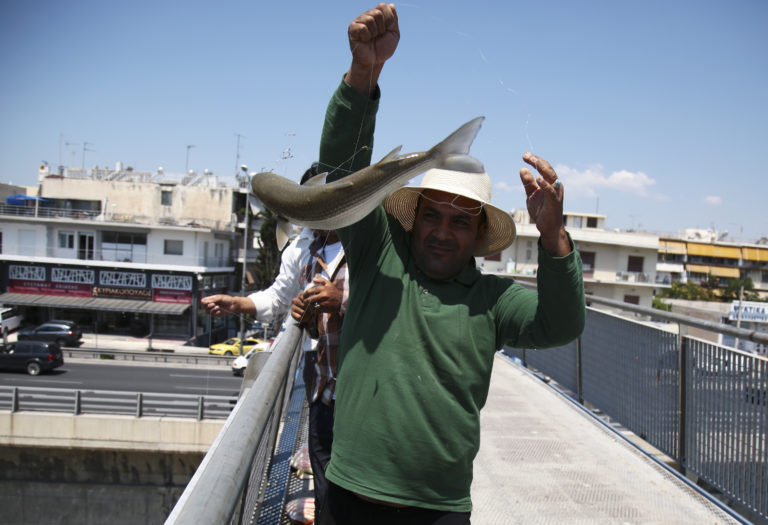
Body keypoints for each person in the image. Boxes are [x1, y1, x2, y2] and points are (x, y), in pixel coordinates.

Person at [314, 4, 585, 524]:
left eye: (461, 222)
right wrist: (363, 74)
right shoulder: (378, 251)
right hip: (346, 498)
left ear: (481, 235)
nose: (442, 230)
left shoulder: (493, 301)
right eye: (432, 215)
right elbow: (343, 173)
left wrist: (553, 237)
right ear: (412, 218)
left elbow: (562, 323)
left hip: (439, 512)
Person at [201, 164, 345, 518]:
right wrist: (239, 303)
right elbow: (278, 298)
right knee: (325, 463)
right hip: (322, 375)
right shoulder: (303, 247)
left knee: (351, 478)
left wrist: (341, 300)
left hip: (359, 380)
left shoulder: (368, 246)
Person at [290, 230, 348, 518]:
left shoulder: (369, 247)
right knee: (325, 492)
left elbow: (391, 303)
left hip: (357, 401)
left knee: (351, 497)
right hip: (323, 395)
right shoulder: (313, 256)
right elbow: (318, 331)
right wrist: (304, 314)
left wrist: (343, 299)